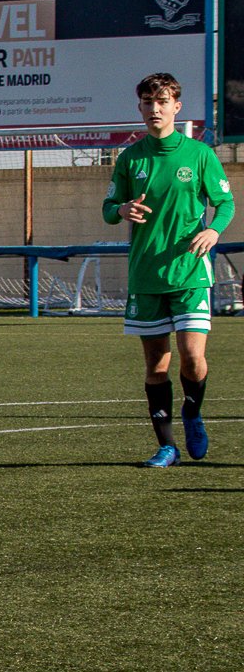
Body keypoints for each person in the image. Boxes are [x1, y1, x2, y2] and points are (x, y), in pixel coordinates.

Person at [102, 72, 235, 467]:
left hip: (189, 272)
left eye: (161, 102)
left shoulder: (200, 155)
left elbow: (225, 203)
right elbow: (109, 209)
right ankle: (167, 446)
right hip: (146, 275)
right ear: (140, 107)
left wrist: (212, 229)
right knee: (156, 365)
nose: (154, 109)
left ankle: (193, 414)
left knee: (192, 357)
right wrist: (122, 209)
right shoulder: (131, 158)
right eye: (147, 102)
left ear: (177, 107)